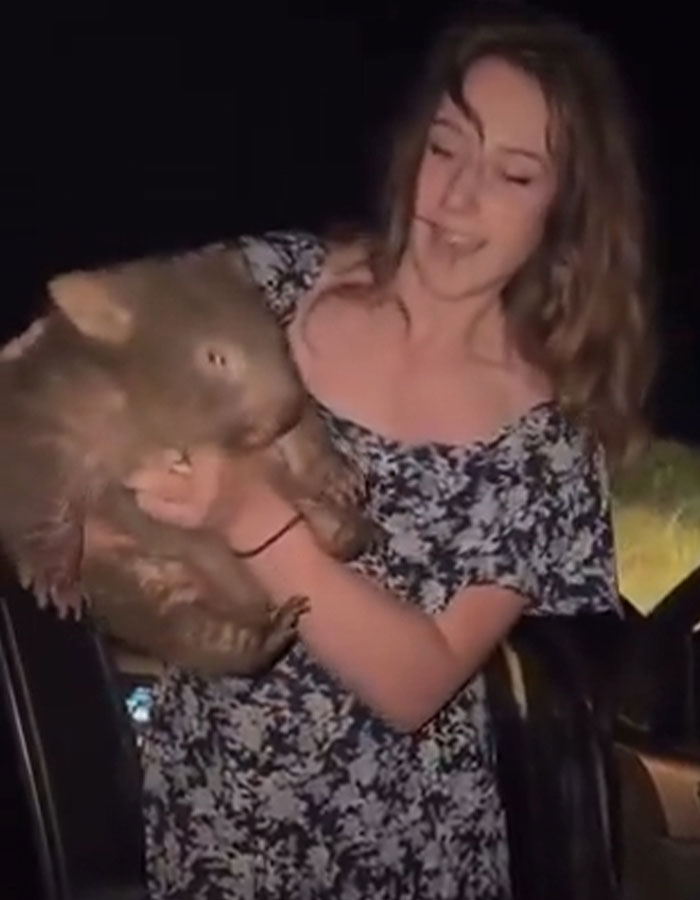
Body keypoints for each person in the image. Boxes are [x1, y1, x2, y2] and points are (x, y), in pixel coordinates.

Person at [128, 5, 654, 898]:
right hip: (203, 818)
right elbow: (99, 360)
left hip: (398, 857)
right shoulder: (273, 287)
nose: (457, 198)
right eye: (448, 148)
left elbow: (415, 681)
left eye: (514, 174)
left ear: (562, 216)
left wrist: (253, 514)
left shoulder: (549, 448)